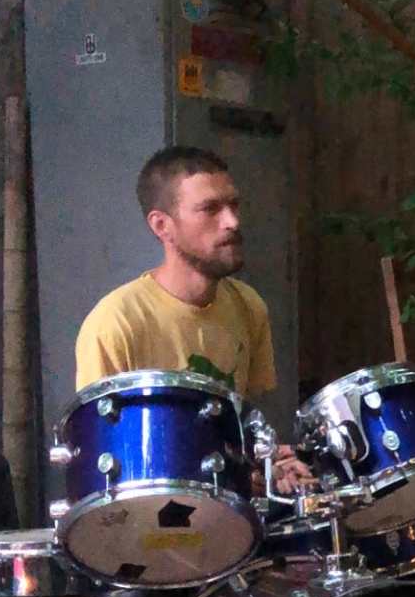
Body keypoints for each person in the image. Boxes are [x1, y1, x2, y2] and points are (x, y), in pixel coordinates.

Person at [74, 144, 310, 489]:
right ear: (162, 226)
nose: (232, 222)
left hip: (227, 516)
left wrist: (268, 463)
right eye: (210, 209)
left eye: (234, 205)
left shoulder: (249, 305)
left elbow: (239, 426)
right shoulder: (115, 322)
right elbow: (103, 460)